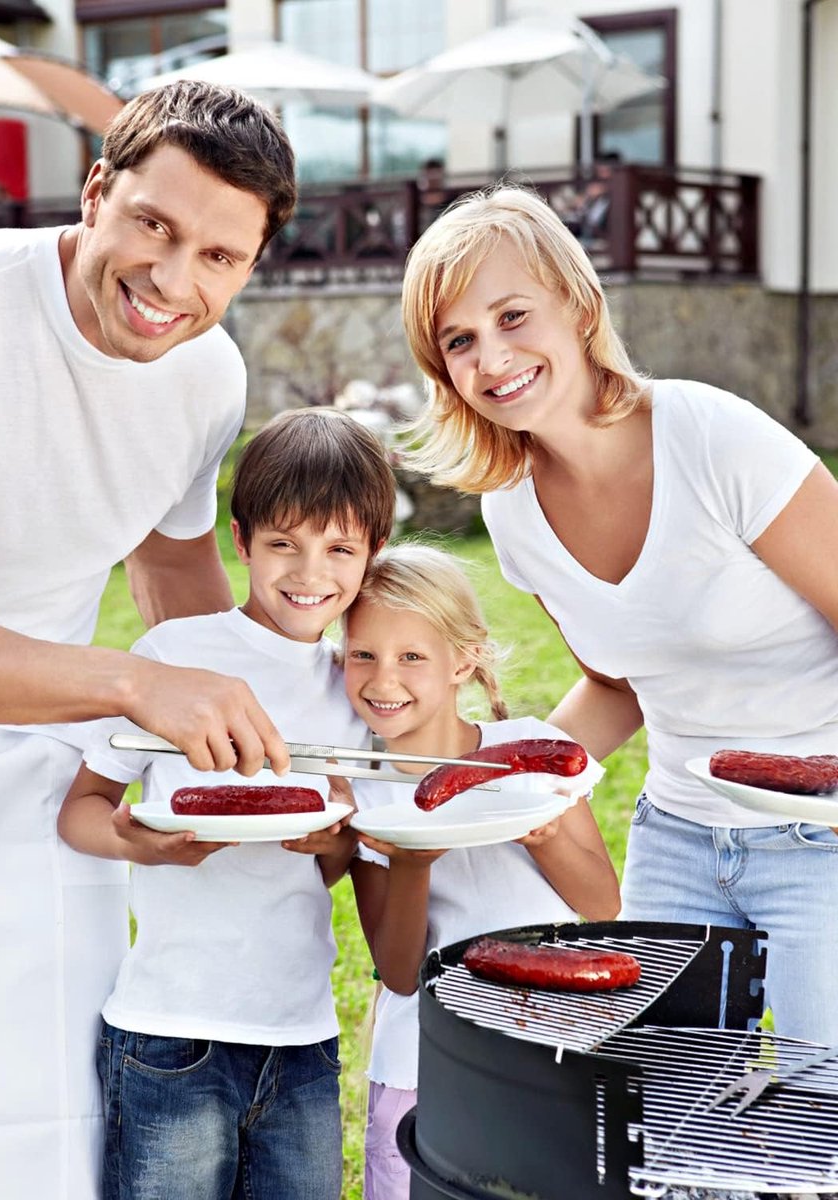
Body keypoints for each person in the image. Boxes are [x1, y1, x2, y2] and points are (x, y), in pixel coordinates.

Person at [0, 82, 298, 1198]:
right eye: (154, 226)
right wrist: (131, 690)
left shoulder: (207, 375)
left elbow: (172, 575)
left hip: (44, 783)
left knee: (53, 1130)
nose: (174, 282)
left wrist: (270, 739)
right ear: (98, 189)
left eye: (219, 256)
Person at [398, 183, 838, 1044]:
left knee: (822, 1098)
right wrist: (499, 778)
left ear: (578, 303)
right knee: (669, 1103)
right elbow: (618, 683)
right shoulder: (513, 510)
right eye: (461, 341)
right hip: (678, 840)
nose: (493, 359)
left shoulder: (713, 438)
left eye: (513, 316)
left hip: (819, 837)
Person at [56, 406, 395, 1200]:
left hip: (302, 1037)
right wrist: (141, 844)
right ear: (240, 542)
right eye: (283, 544)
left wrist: (337, 845)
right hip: (171, 1033)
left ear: (371, 555)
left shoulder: (356, 691)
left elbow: (341, 864)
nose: (310, 573)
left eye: (339, 549)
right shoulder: (175, 657)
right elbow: (82, 809)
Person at [343, 543, 619, 1198]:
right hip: (422, 1060)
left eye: (412, 656)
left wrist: (545, 836)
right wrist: (410, 864)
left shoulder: (537, 756)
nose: (385, 680)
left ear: (462, 659)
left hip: (547, 1045)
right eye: (363, 655)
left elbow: (602, 902)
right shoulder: (359, 787)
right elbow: (400, 971)